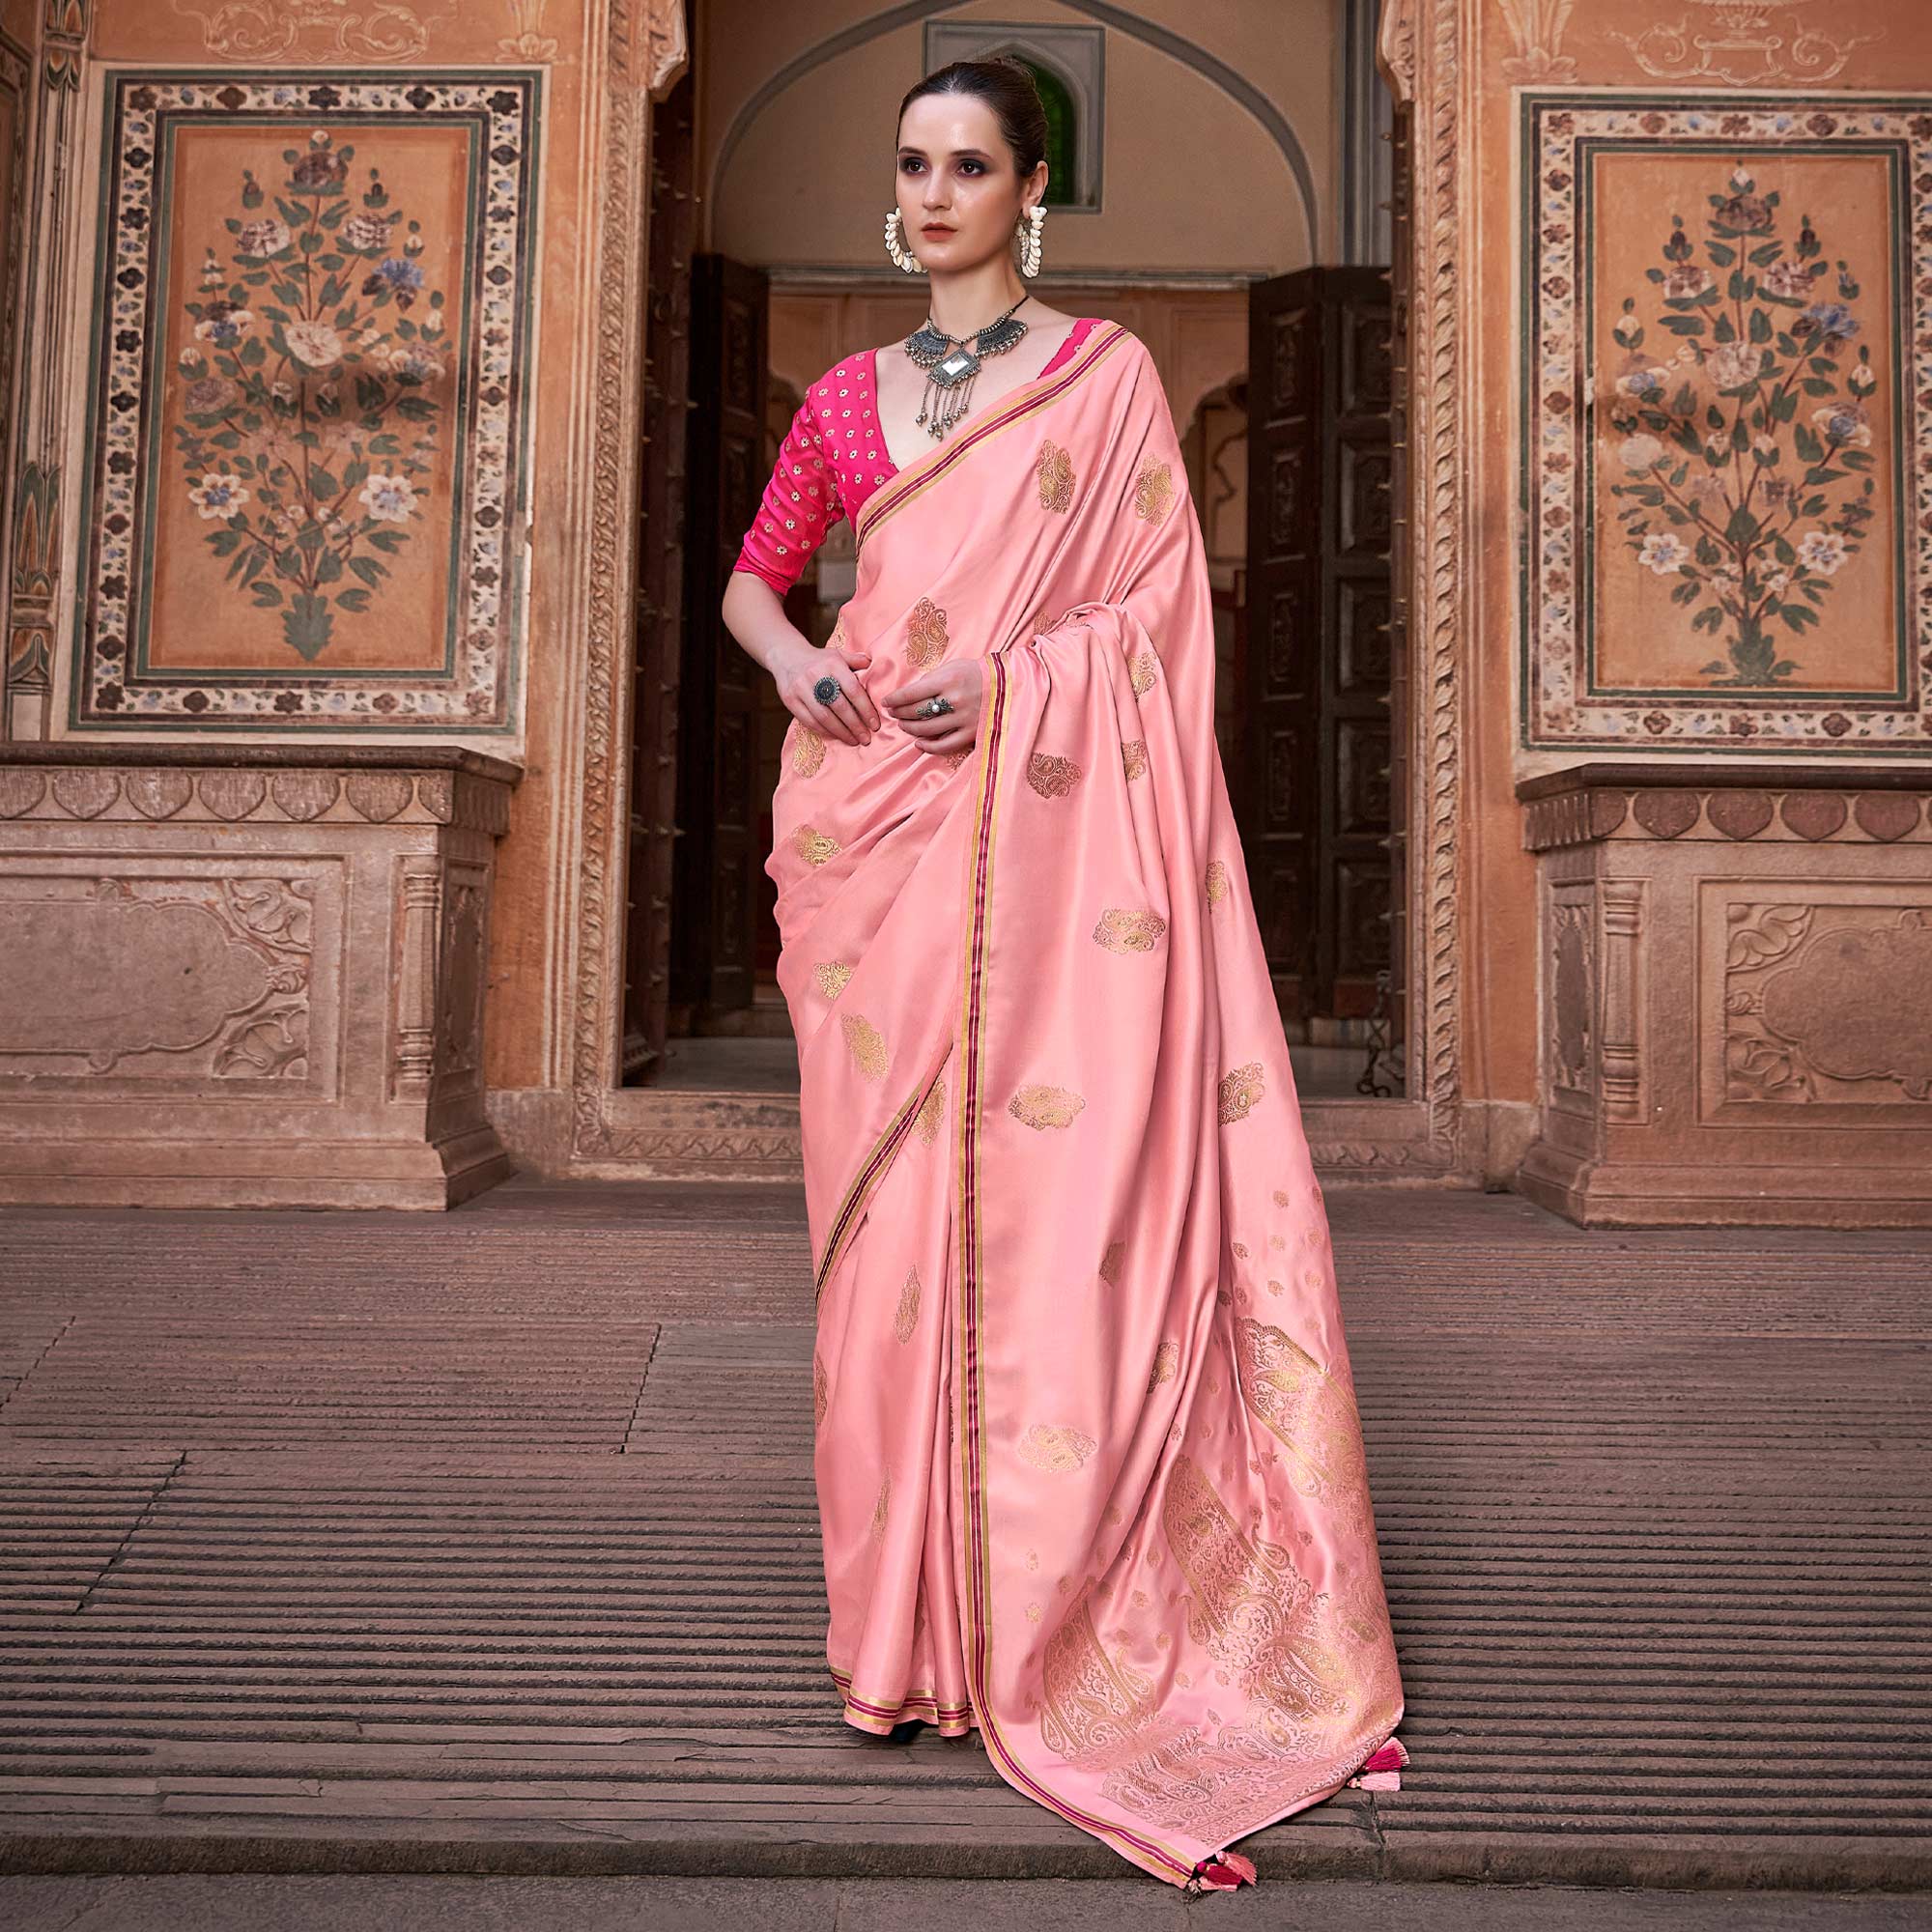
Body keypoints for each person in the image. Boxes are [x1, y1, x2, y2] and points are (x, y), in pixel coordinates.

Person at [719, 54, 1406, 1896]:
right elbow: (755, 583)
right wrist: (801, 672)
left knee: (1044, 1214)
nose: (932, 194)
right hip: (878, 844)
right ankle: (904, 1645)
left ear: (1037, 193)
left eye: (970, 168)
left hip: (1042, 847)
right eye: (913, 164)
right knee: (880, 1251)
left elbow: (1158, 617)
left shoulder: (1100, 387)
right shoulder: (856, 403)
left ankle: (1051, 1613)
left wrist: (1012, 683)